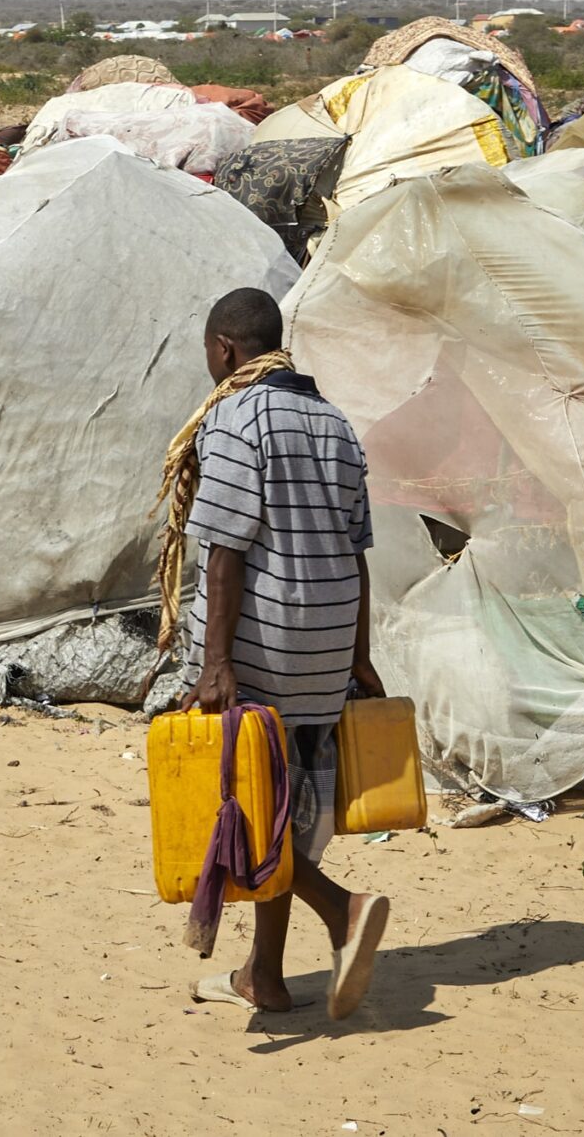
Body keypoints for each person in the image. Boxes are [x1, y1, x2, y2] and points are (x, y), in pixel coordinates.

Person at [171, 286, 389, 1019]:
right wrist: (357, 656)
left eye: (209, 352)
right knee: (285, 805)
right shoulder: (336, 422)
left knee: (243, 807)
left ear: (226, 349)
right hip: (326, 646)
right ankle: (264, 974)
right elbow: (357, 554)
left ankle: (342, 909)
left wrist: (215, 663)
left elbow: (225, 549)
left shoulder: (237, 419)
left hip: (265, 642)